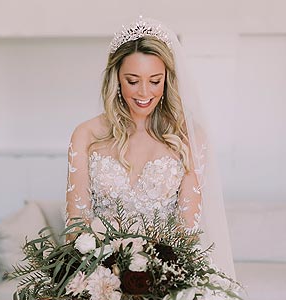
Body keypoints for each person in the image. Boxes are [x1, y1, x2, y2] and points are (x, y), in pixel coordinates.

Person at [65, 17, 235, 278]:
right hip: (97, 274)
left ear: (167, 80)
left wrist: (153, 279)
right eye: (133, 80)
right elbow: (77, 225)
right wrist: (104, 279)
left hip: (165, 274)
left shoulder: (189, 137)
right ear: (116, 79)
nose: (144, 92)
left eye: (155, 81)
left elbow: (186, 231)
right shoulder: (86, 135)